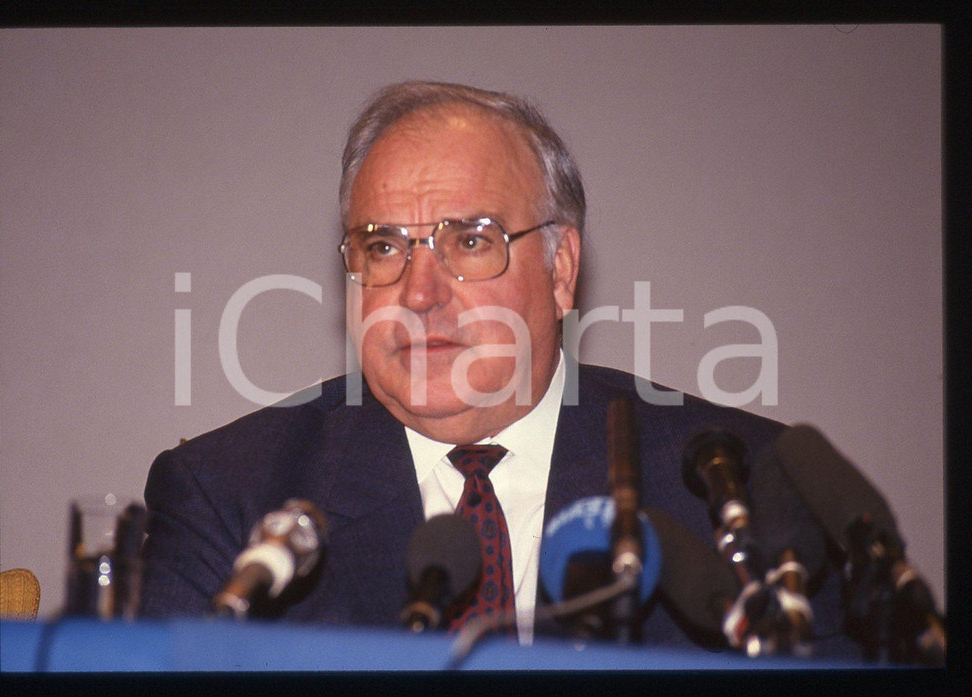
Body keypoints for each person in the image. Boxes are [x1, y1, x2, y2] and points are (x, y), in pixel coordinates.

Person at [140, 81, 855, 657]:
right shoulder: (229, 496)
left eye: (471, 240)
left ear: (561, 269)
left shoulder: (743, 488)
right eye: (384, 246)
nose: (419, 293)